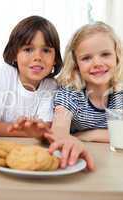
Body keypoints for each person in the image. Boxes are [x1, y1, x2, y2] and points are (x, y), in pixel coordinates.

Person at [44, 21, 123, 162]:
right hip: (79, 159)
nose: (97, 63)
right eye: (86, 58)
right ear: (76, 64)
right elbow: (59, 131)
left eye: (105, 54)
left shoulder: (119, 92)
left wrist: (87, 135)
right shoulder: (70, 93)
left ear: (117, 56)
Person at [0, 15, 62, 138]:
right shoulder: (5, 74)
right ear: (15, 54)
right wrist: (27, 132)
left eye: (46, 50)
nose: (38, 57)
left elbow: (45, 129)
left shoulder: (51, 85)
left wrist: (36, 133)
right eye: (28, 49)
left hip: (30, 150)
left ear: (55, 59)